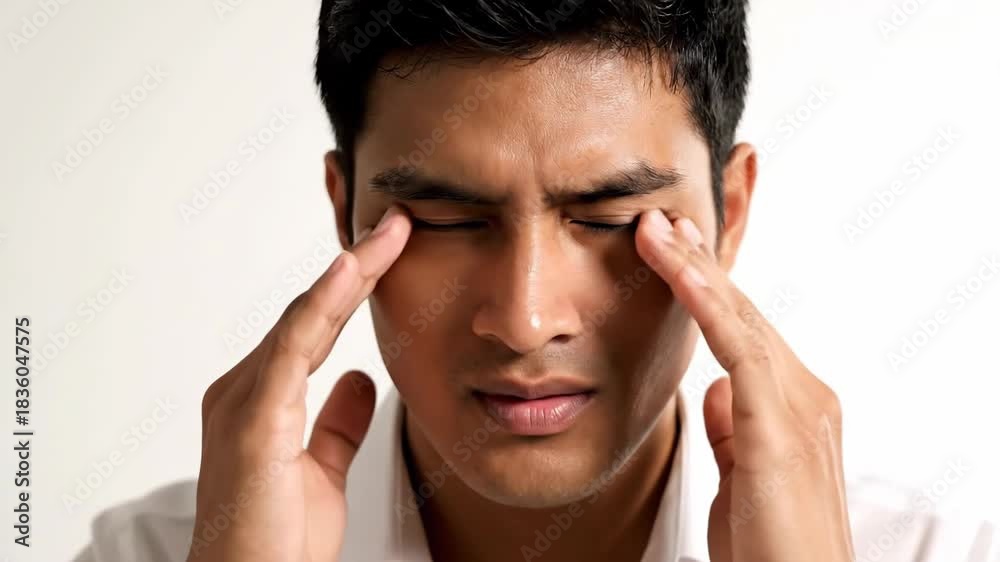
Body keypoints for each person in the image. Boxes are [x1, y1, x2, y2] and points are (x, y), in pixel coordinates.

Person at [73, 1, 998, 561]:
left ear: (730, 210)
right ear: (344, 210)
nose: (524, 320)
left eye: (609, 220)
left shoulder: (932, 553)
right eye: (446, 221)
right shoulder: (154, 555)